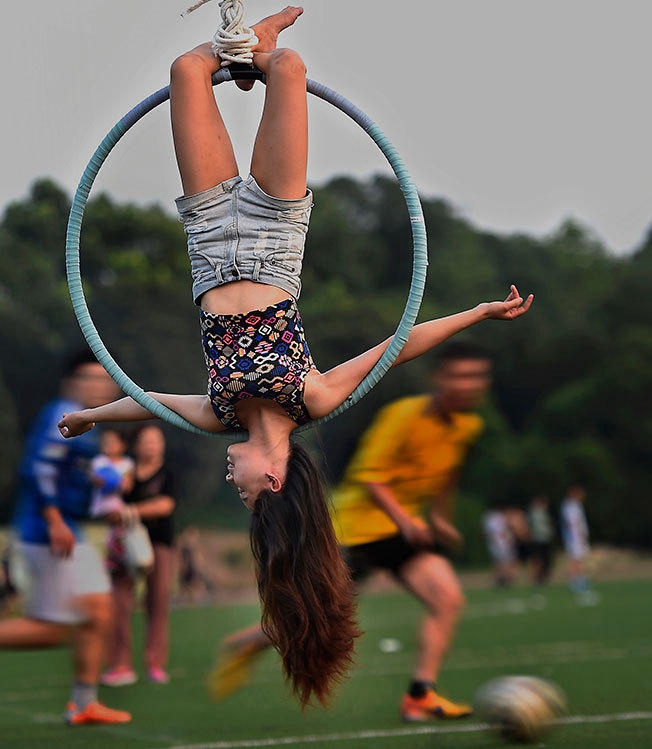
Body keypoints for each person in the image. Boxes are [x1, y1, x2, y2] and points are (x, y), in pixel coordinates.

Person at [57, 5, 534, 708]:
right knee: (292, 72)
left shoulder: (221, 412)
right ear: (274, 478)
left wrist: (93, 416)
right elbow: (396, 348)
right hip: (276, 235)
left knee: (189, 69)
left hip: (209, 231)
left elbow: (149, 401)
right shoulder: (310, 397)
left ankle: (248, 48)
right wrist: (476, 313)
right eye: (246, 488)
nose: (232, 479)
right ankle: (263, 48)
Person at [207, 341, 500, 720]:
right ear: (438, 378)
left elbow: (447, 472)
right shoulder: (404, 415)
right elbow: (371, 478)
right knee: (317, 614)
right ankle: (250, 640)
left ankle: (420, 695)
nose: (467, 384)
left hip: (398, 531)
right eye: (459, 375)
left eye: (476, 376)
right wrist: (407, 520)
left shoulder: (467, 425)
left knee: (447, 599)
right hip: (357, 528)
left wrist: (440, 516)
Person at [0, 350, 132, 726]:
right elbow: (39, 470)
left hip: (69, 528)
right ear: (71, 384)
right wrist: (54, 520)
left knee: (98, 612)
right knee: (54, 628)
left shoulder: (87, 422)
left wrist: (97, 486)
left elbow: (67, 471)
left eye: (103, 379)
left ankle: (84, 703)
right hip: (47, 532)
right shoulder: (63, 413)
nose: (99, 386)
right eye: (90, 378)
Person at [101, 424, 178, 687]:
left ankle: (155, 664)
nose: (152, 446)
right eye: (147, 441)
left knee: (157, 602)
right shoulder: (126, 473)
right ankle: (120, 664)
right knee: (119, 603)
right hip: (125, 544)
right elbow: (108, 502)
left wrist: (130, 512)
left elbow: (165, 505)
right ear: (136, 446)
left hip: (159, 544)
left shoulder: (167, 474)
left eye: (157, 441)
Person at [89, 428, 134, 519]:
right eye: (106, 442)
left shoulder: (127, 463)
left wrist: (122, 484)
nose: (109, 445)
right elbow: (92, 478)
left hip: (118, 504)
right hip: (100, 504)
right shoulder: (99, 461)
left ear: (123, 445)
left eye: (113, 442)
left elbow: (128, 484)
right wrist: (100, 481)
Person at [560, 485, 591, 593]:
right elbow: (572, 523)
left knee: (579, 559)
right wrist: (578, 535)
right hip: (574, 537)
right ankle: (574, 581)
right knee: (574, 560)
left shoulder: (577, 505)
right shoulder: (570, 506)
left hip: (577, 537)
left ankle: (579, 579)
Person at [175, 526, 214, 605]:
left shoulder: (193, 546)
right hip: (189, 569)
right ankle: (188, 600)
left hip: (193, 569)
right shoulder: (185, 546)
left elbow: (198, 559)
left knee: (196, 585)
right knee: (188, 586)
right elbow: (183, 558)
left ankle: (198, 600)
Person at [483, 508, 517, 587]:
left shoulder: (492, 518)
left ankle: (503, 579)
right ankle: (503, 579)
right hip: (501, 545)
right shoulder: (499, 519)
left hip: (499, 545)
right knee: (503, 562)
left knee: (501, 562)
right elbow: (502, 533)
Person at [526, 494, 555, 585]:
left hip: (546, 538)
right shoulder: (533, 513)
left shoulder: (544, 512)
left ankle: (544, 576)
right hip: (537, 539)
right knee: (538, 559)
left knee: (547, 559)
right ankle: (536, 577)